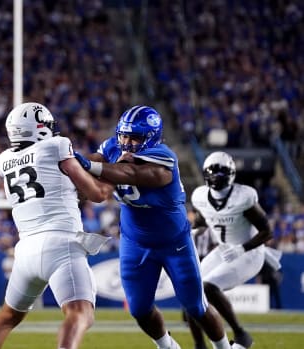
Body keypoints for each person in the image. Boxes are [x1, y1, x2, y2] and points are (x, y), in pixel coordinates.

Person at [74, 105, 231, 349]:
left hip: (174, 243)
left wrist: (86, 166)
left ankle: (223, 346)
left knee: (196, 307)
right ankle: (167, 346)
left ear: (151, 138)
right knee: (139, 309)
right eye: (123, 135)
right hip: (135, 242)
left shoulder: (164, 157)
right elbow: (96, 160)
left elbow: (130, 173)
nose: (126, 142)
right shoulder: (114, 146)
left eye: (134, 138)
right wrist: (73, 163)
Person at [0, 102, 114, 349]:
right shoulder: (56, 146)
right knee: (80, 312)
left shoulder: (4, 160)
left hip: (26, 249)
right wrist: (113, 171)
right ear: (38, 128)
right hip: (61, 244)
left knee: (7, 317)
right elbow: (98, 194)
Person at [189, 151, 276, 349]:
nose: (216, 176)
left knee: (209, 287)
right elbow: (205, 219)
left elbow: (267, 232)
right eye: (212, 172)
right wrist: (193, 230)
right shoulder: (200, 196)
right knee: (190, 290)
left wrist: (242, 248)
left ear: (230, 174)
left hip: (249, 253)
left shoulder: (243, 197)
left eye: (221, 173)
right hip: (223, 250)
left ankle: (240, 334)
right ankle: (199, 345)